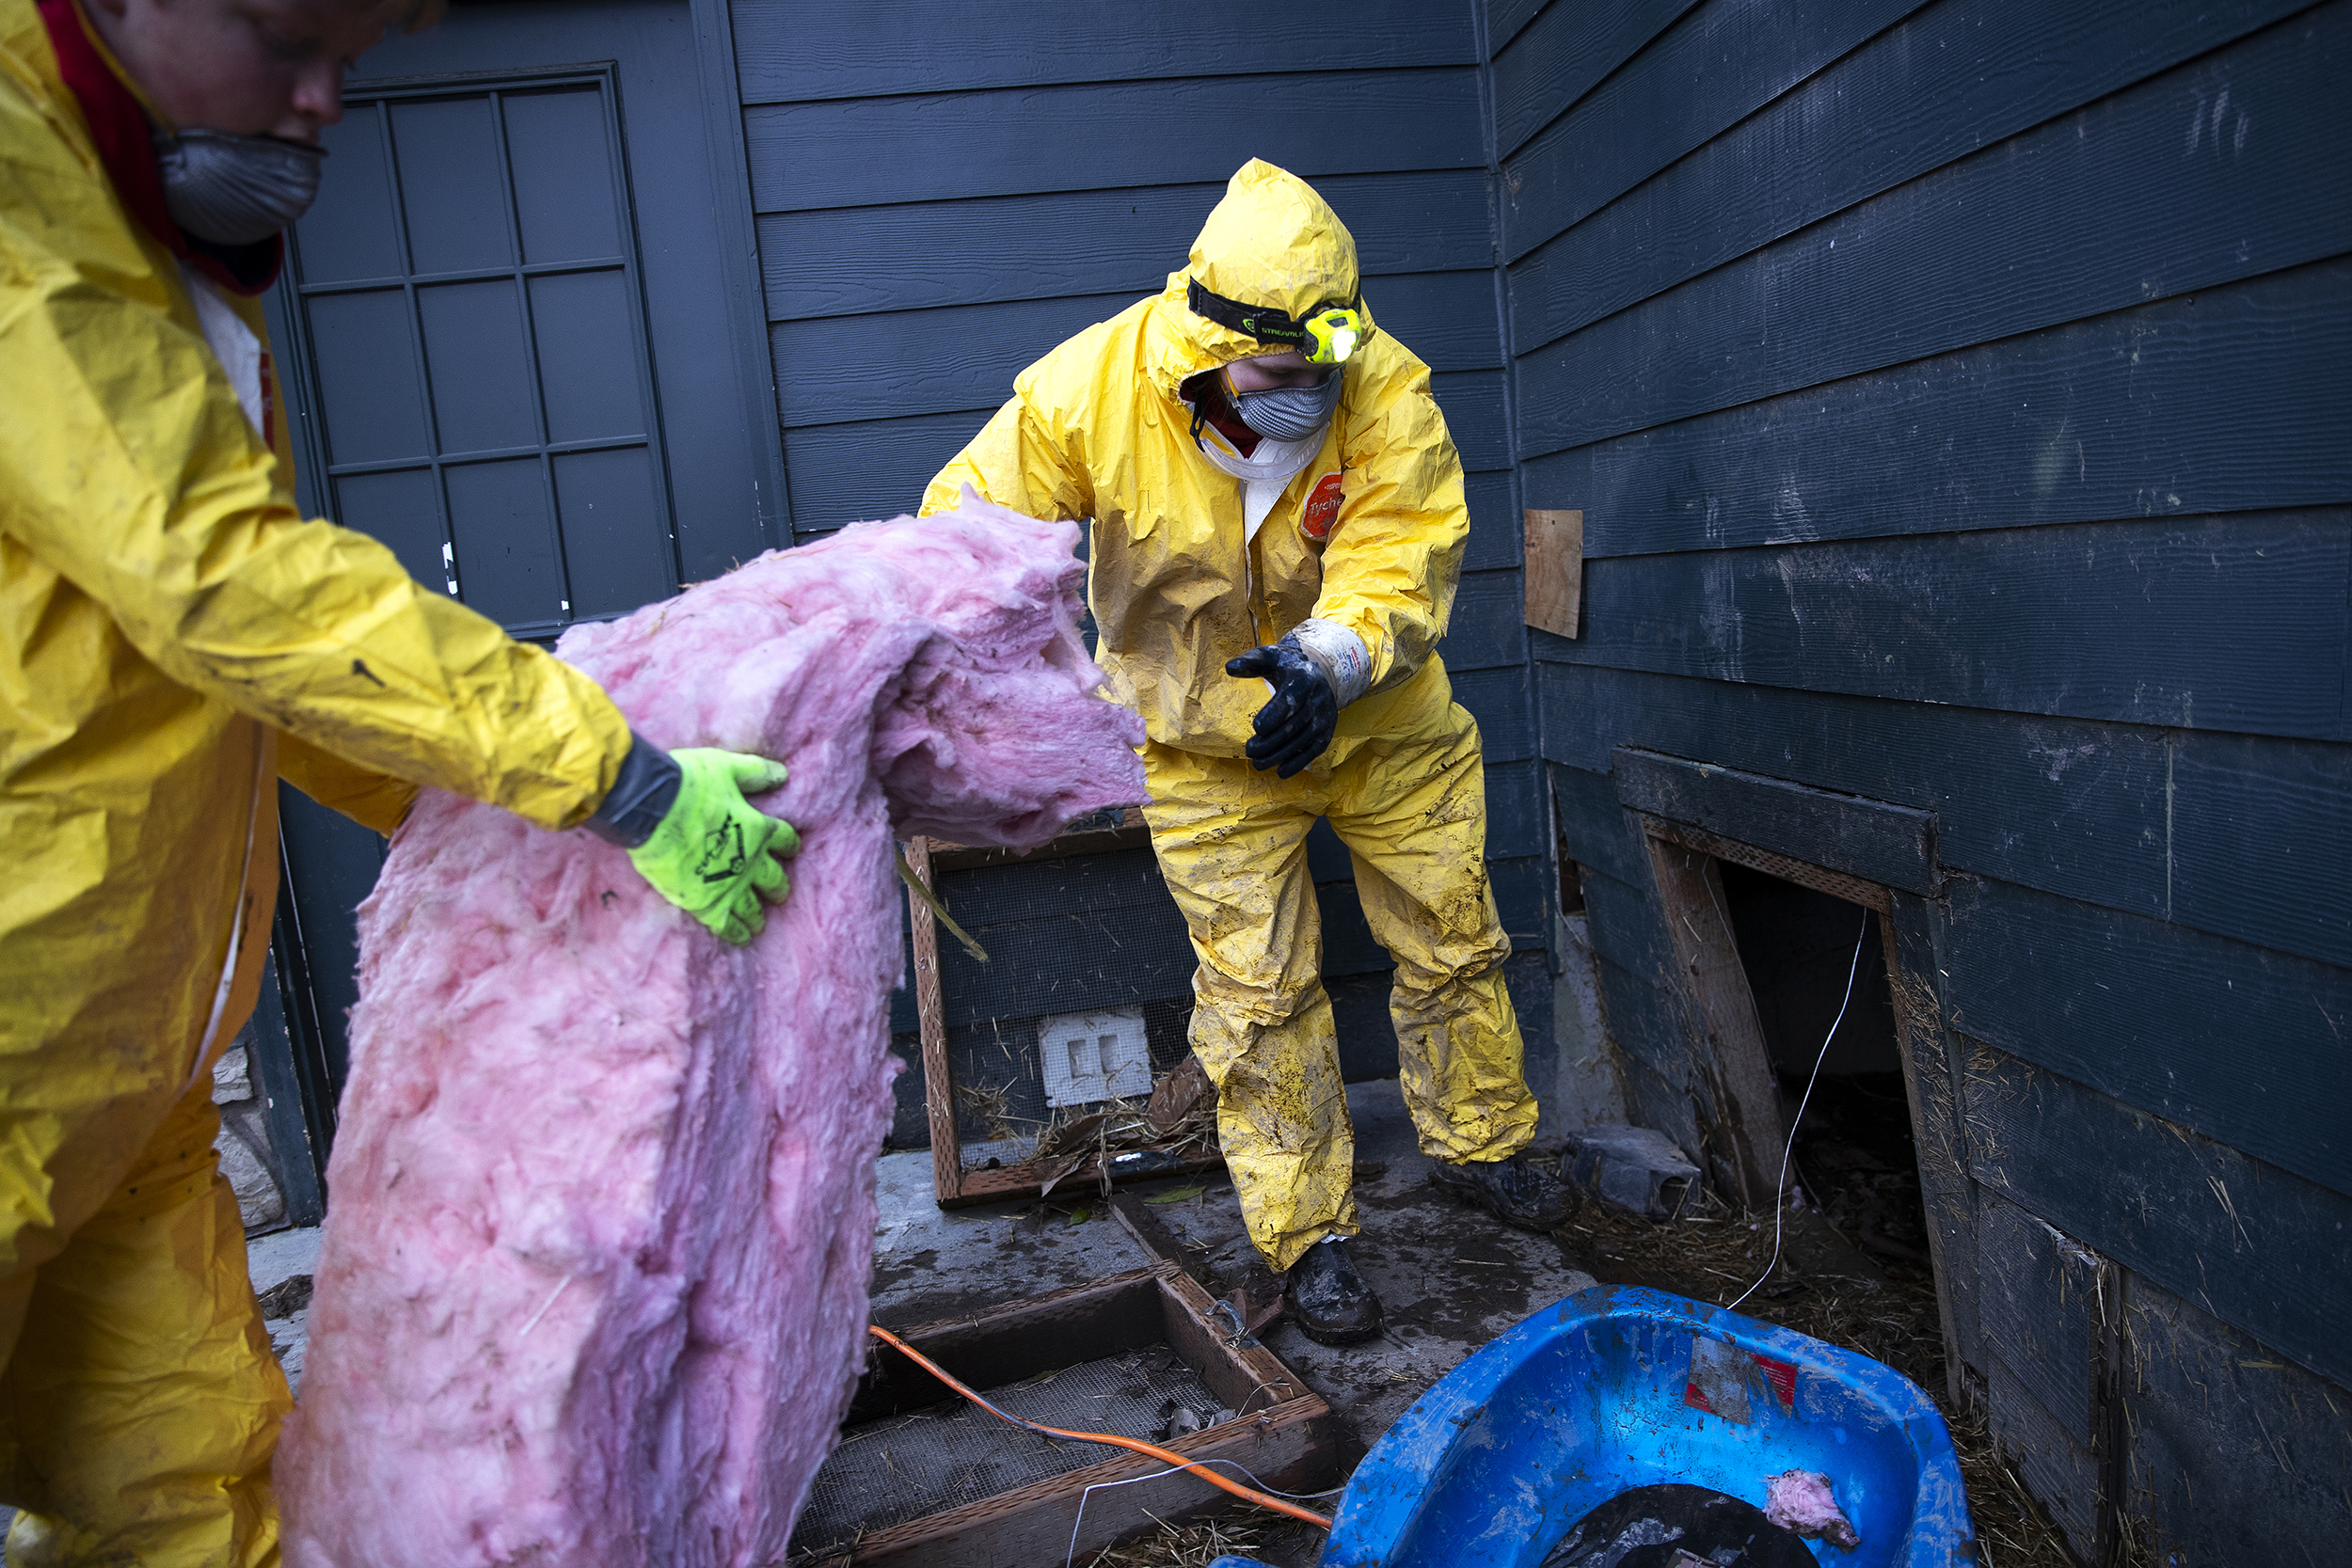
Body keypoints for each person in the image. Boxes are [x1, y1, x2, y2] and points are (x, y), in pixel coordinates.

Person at [0, 0, 796, 1558]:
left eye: (348, 60)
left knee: (178, 1480)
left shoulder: (146, 235)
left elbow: (216, 666)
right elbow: (227, 584)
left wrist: (478, 811)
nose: (324, 103)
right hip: (21, 1021)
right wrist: (605, 775)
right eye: (293, 41)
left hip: (132, 1048)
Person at [922, 159, 1573, 1348]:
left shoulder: (1382, 387)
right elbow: (964, 525)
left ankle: (1483, 1143)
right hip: (1203, 745)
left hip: (1378, 719)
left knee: (1453, 936)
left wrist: (1330, 659)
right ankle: (1306, 1233)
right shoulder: (1090, 395)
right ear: (1209, 338)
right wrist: (975, 655)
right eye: (1279, 377)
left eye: (1322, 376)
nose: (1306, 399)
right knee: (1259, 997)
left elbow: (1406, 550)